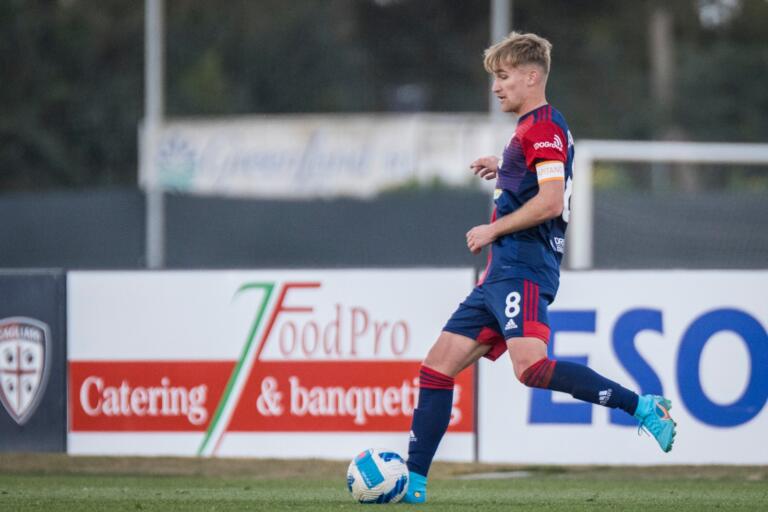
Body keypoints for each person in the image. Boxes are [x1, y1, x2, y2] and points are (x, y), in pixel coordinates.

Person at [403, 32, 677, 504]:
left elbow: (550, 202)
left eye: (504, 77)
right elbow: (539, 181)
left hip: (522, 268)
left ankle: (643, 407)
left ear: (532, 77)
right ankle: (413, 483)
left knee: (530, 368)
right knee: (436, 368)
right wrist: (505, 167)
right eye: (495, 78)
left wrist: (492, 230)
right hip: (500, 274)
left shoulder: (543, 128)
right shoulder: (530, 131)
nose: (496, 87)